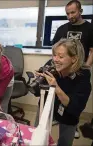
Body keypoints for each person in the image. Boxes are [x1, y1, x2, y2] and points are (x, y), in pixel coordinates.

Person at [35, 39, 91, 146]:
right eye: (54, 55)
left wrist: (56, 87)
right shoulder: (51, 64)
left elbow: (76, 106)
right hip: (48, 102)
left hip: (69, 111)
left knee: (65, 142)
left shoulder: (83, 75)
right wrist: (39, 81)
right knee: (38, 134)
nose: (55, 60)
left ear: (74, 59)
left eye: (61, 57)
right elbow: (37, 92)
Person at [52, 0, 93, 138]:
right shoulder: (62, 29)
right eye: (67, 13)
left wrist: (83, 68)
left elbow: (92, 51)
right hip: (62, 73)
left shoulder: (89, 28)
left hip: (79, 70)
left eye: (73, 12)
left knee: (72, 104)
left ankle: (71, 126)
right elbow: (56, 50)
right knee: (59, 100)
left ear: (80, 11)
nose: (70, 16)